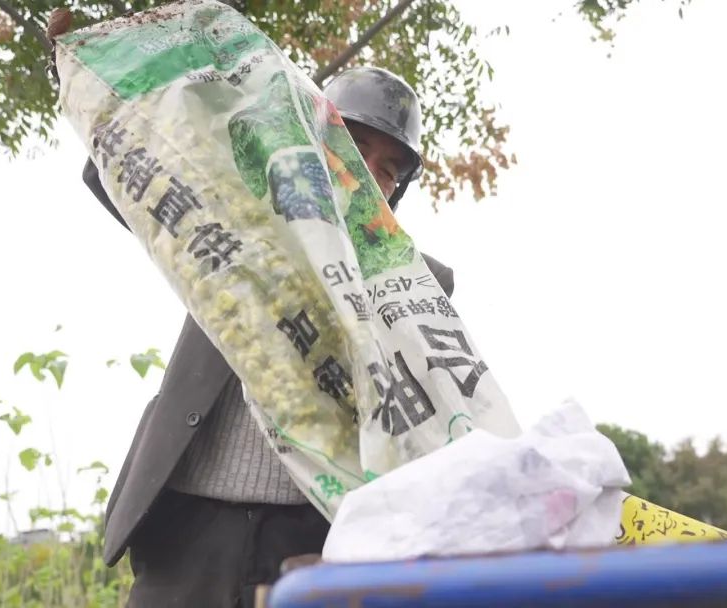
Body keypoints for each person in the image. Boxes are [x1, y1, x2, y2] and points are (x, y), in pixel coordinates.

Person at [81, 66, 455, 607]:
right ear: (307, 141)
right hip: (188, 525)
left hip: (313, 534)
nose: (366, 173)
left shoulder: (416, 284)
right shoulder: (233, 219)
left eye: (388, 170)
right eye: (352, 146)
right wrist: (105, 67)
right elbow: (114, 169)